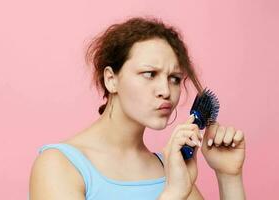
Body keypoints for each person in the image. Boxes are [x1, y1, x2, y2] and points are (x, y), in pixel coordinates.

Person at [29, 17, 246, 200]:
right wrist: (172, 194)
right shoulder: (58, 165)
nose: (165, 90)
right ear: (111, 79)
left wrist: (228, 176)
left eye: (174, 78)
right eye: (150, 74)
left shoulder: (170, 168)